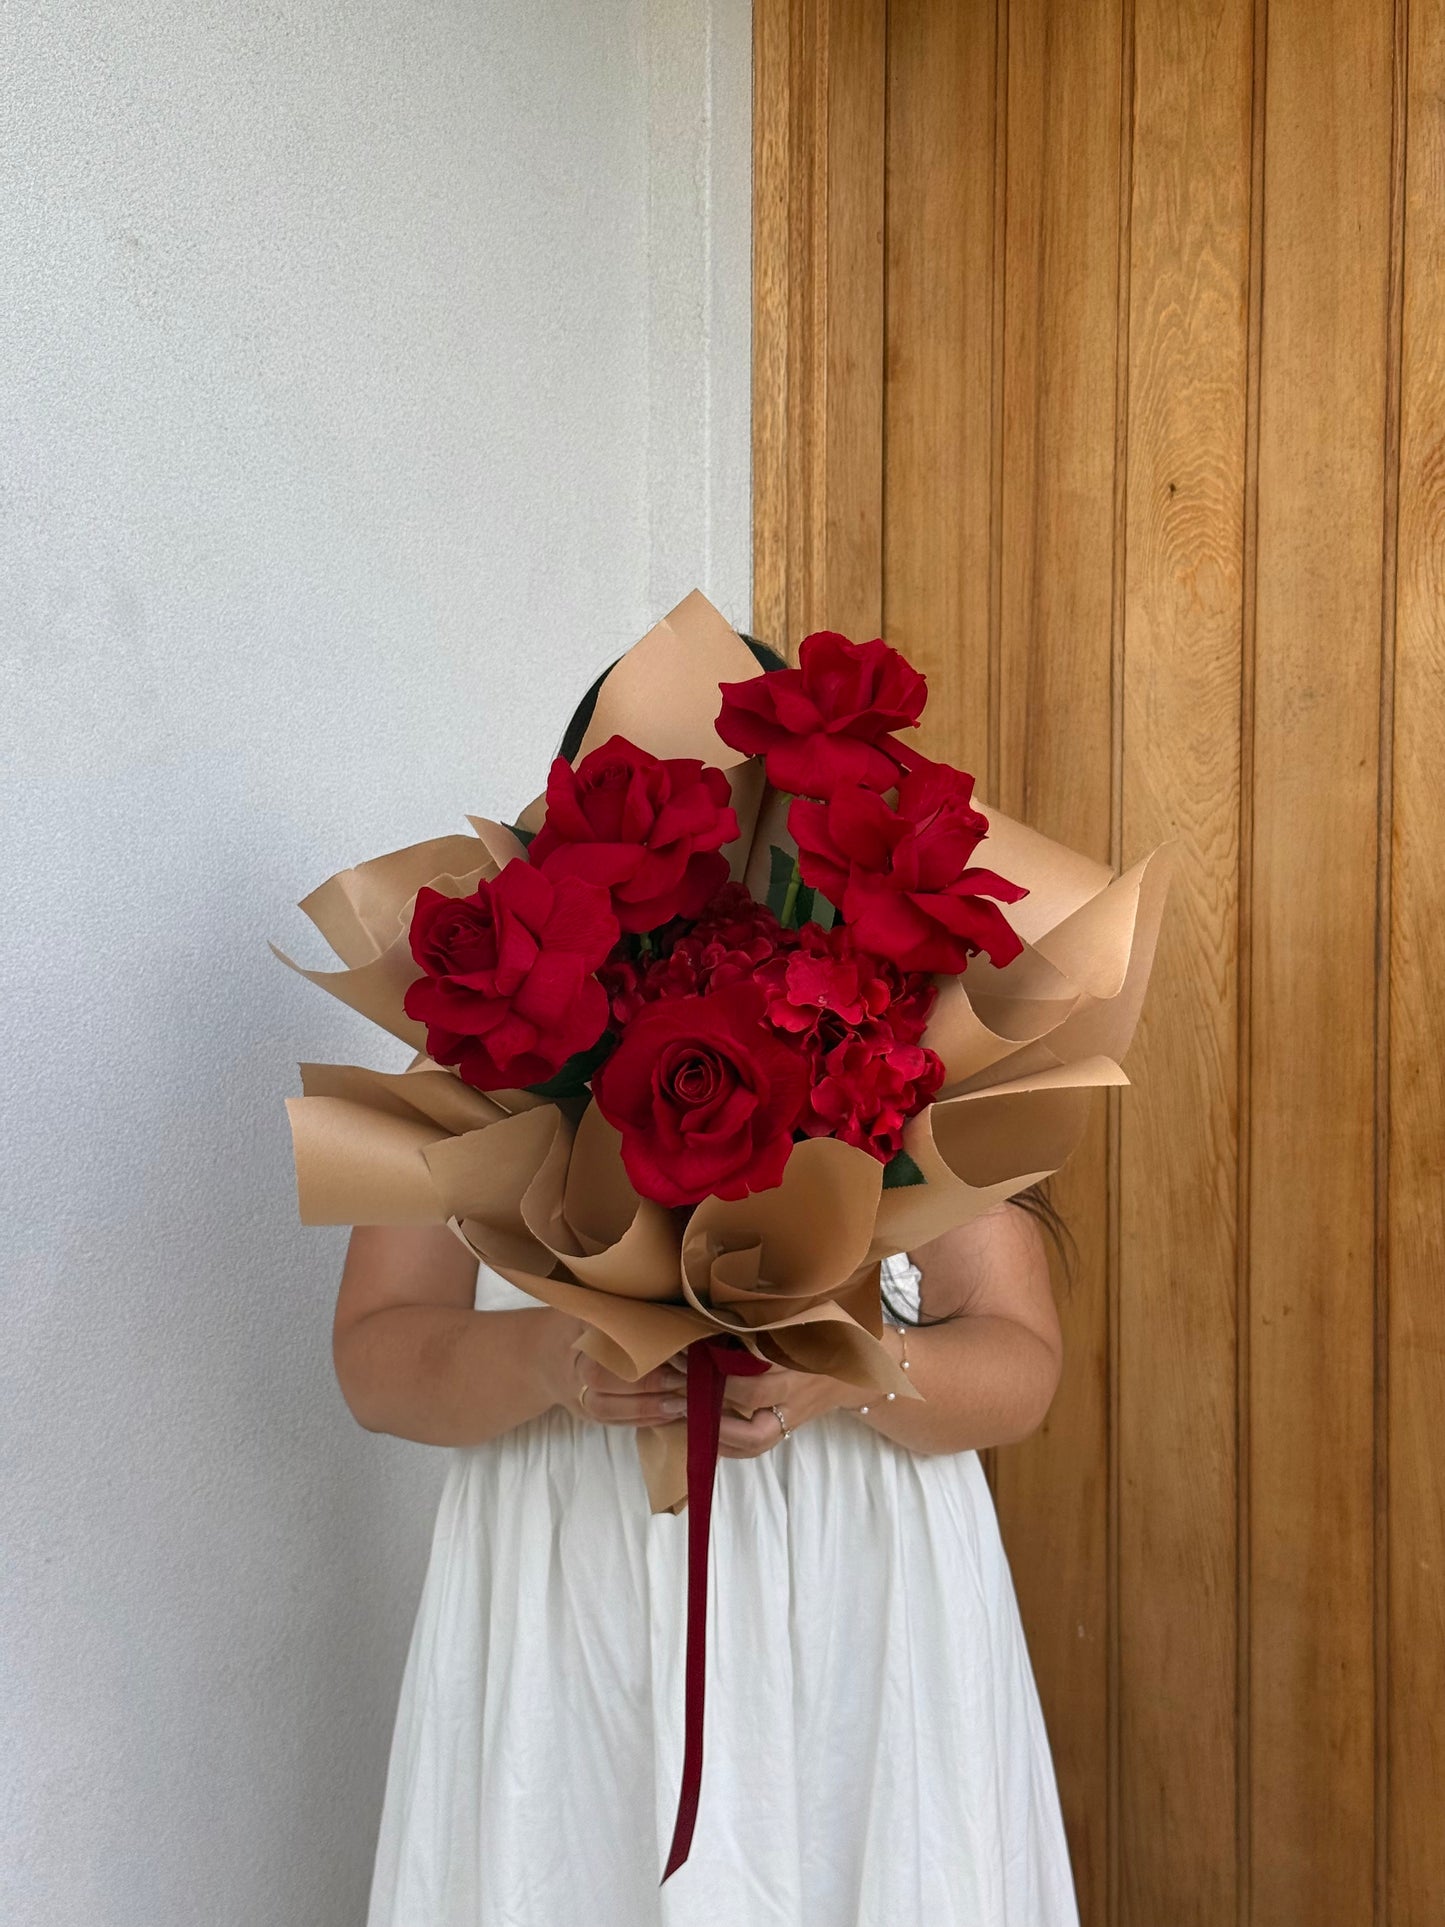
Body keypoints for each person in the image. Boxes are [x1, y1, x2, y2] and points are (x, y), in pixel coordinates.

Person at [344, 645, 1082, 1927]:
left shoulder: (905, 1018)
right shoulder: (478, 1015)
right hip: (573, 1565)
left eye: (740, 798)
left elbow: (1019, 1365)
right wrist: (557, 1364)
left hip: (862, 1580)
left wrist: (849, 1369)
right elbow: (374, 1354)